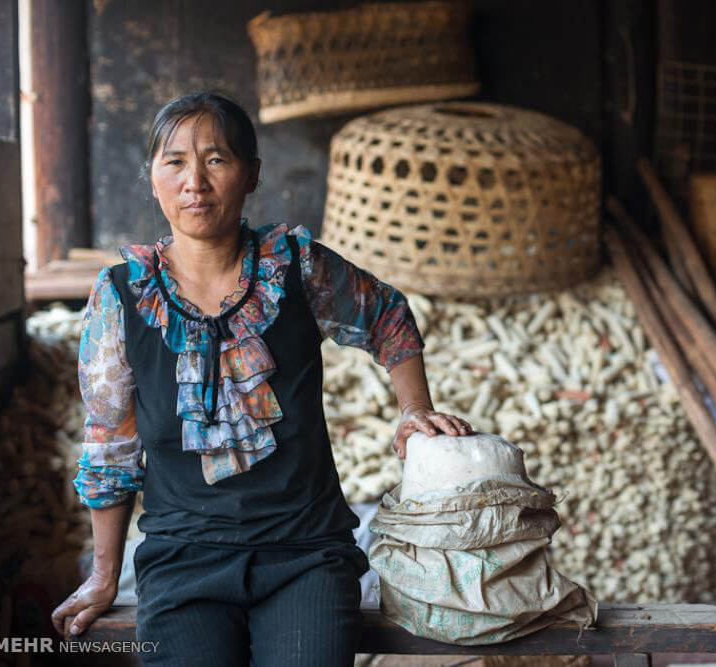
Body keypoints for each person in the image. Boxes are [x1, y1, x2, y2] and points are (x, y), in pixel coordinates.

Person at [50, 91, 473, 666]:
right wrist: (104, 577)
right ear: (152, 178)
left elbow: (387, 314)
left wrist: (413, 409)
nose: (194, 181)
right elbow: (110, 448)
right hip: (183, 560)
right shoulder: (122, 296)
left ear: (252, 174)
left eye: (216, 159)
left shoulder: (295, 267)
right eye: (174, 161)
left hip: (306, 554)